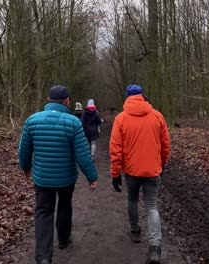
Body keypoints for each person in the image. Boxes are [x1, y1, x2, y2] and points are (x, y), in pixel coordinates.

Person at [18, 85, 98, 264]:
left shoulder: (32, 120)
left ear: (48, 100)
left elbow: (24, 149)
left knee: (43, 212)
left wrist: (25, 166)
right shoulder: (73, 122)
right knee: (64, 205)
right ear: (67, 101)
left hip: (42, 177)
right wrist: (91, 176)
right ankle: (63, 239)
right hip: (66, 178)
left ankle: (43, 256)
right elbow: (82, 155)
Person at [109, 84, 170, 264]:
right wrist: (161, 165)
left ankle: (135, 231)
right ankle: (155, 247)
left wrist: (115, 174)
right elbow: (165, 146)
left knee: (132, 200)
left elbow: (115, 150)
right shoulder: (157, 116)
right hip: (152, 170)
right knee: (152, 206)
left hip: (131, 171)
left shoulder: (121, 119)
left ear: (127, 98)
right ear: (143, 96)